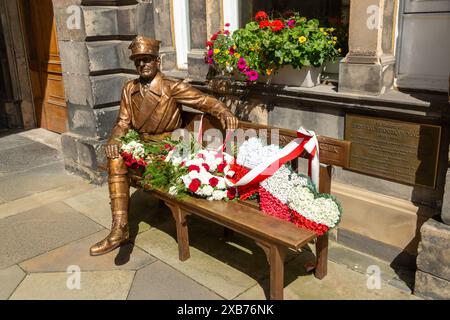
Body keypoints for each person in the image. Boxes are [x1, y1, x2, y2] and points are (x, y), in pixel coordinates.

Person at [90, 35, 238, 256]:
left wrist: (223, 110)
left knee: (120, 161)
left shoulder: (172, 87)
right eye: (138, 60)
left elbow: (203, 100)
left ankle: (120, 229)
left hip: (167, 148)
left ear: (157, 61)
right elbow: (123, 122)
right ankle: (119, 227)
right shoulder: (128, 89)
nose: (143, 64)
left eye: (147, 59)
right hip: (141, 144)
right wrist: (114, 138)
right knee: (115, 156)